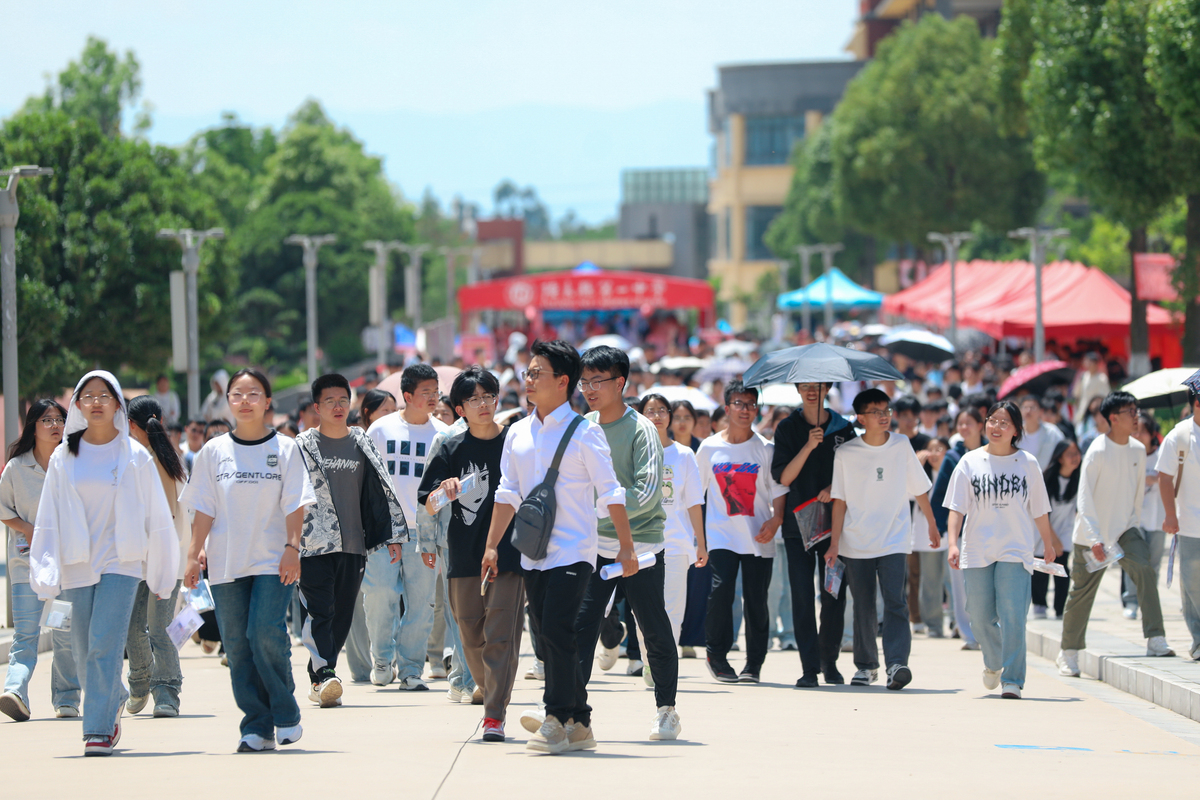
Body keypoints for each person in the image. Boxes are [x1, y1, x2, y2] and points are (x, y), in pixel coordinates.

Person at [481, 339, 631, 755]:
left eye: (536, 373)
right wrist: (492, 546)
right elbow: (507, 492)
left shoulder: (586, 431)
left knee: (557, 630)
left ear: (563, 382)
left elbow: (611, 491)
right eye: (527, 373)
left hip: (573, 551)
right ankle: (579, 722)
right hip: (532, 551)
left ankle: (554, 718)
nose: (528, 380)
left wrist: (626, 547)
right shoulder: (517, 432)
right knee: (548, 639)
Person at [29, 371, 178, 755]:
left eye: (104, 395)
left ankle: (97, 729)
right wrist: (45, 568)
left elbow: (158, 518)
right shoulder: (64, 455)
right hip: (77, 562)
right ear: (77, 404)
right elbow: (48, 515)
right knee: (81, 647)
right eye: (88, 396)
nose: (96, 402)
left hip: (122, 562)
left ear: (117, 404)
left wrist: (163, 569)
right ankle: (111, 696)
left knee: (104, 643)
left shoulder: (135, 455)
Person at [182, 368, 317, 752]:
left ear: (268, 401)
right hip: (226, 564)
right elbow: (203, 509)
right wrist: (193, 556)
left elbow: (295, 504)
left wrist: (293, 549)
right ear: (227, 402)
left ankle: (286, 712)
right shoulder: (213, 451)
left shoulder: (287, 449)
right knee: (238, 646)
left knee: (264, 633)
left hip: (274, 561)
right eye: (237, 394)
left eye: (253, 393)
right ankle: (256, 725)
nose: (245, 401)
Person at [571, 347, 680, 741]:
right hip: (594, 547)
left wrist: (602, 509)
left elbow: (648, 493)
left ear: (620, 383)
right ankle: (572, 713)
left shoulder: (642, 430)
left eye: (597, 381)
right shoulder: (583, 425)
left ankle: (667, 709)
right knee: (581, 628)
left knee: (652, 628)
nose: (589, 389)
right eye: (584, 381)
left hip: (643, 546)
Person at [418, 367, 523, 743]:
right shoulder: (450, 447)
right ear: (460, 408)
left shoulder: (515, 442)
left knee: (500, 636)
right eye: (473, 399)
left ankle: (494, 714)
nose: (483, 404)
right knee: (470, 636)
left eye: (488, 396)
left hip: (510, 554)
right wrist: (444, 492)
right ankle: (490, 690)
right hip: (462, 555)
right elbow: (428, 505)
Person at [295, 374, 408, 709]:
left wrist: (391, 534)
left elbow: (380, 486)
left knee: (342, 612)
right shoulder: (302, 445)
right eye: (329, 401)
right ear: (316, 407)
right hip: (313, 544)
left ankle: (322, 674)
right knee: (319, 611)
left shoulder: (361, 440)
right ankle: (323, 674)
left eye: (343, 399)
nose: (338, 406)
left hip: (353, 545)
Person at [946, 400, 1060, 699]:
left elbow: (1039, 509)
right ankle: (994, 660)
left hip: (1015, 549)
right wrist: (953, 543)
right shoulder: (969, 462)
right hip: (977, 549)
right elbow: (956, 508)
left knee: (1013, 615)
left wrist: (1047, 544)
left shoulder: (1027, 463)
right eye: (992, 420)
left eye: (1004, 423)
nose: (996, 427)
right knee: (980, 617)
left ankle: (1013, 679)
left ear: (1016, 431)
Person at [1057, 391, 1175, 679]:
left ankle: (1156, 638)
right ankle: (1068, 652)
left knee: (1145, 569)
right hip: (1090, 534)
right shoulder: (1097, 450)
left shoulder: (1137, 450)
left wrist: (1131, 525)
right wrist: (1096, 537)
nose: (1136, 417)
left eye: (1136, 411)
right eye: (1130, 412)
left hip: (1124, 530)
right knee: (1081, 593)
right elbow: (1084, 499)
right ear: (1113, 418)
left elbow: (1136, 494)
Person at [826, 388, 937, 691]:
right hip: (855, 540)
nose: (884, 416)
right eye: (876, 411)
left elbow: (919, 488)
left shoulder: (902, 445)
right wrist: (835, 544)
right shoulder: (846, 452)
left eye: (886, 410)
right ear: (861, 418)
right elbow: (839, 501)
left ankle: (897, 664)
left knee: (895, 603)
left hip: (894, 539)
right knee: (863, 605)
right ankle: (866, 666)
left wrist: (931, 524)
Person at [697, 380, 788, 684]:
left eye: (751, 404)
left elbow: (778, 490)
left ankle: (754, 663)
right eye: (739, 404)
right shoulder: (709, 448)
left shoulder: (765, 449)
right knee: (721, 593)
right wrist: (698, 536)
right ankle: (717, 655)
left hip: (758, 534)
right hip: (722, 535)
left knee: (756, 599)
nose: (746, 410)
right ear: (727, 408)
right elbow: (696, 494)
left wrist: (775, 522)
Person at [365, 364, 447, 690]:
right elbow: (368, 482)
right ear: (408, 395)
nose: (432, 397)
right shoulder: (380, 430)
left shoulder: (442, 433)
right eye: (425, 392)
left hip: (426, 531)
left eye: (435, 391)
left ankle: (411, 668)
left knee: (422, 602)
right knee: (380, 594)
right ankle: (382, 659)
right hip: (384, 529)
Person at [771, 381, 857, 688]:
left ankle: (828, 661)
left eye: (819, 387)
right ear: (797, 389)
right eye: (806, 386)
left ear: (828, 389)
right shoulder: (788, 429)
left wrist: (835, 488)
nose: (812, 392)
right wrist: (808, 445)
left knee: (833, 594)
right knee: (802, 596)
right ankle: (809, 667)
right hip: (798, 527)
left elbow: (854, 473)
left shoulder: (844, 429)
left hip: (835, 526)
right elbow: (783, 476)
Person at [0, 399, 80, 722]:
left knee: (63, 634)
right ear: (33, 426)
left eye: (60, 419)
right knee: (26, 633)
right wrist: (27, 529)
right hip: (25, 567)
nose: (55, 425)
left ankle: (66, 699)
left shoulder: (73, 463)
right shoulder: (17, 468)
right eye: (47, 420)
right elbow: (3, 507)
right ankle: (15, 691)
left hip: (66, 570)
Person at [124, 396, 189, 718]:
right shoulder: (173, 459)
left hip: (142, 559)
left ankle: (163, 689)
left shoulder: (136, 460)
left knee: (142, 626)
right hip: (161, 558)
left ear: (131, 425)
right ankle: (146, 683)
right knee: (150, 626)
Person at [639, 394, 707, 646]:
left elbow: (693, 502)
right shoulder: (635, 452)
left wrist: (700, 543)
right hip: (642, 543)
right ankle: (648, 659)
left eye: (661, 411)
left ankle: (665, 667)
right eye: (650, 411)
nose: (656, 416)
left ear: (668, 415)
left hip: (676, 544)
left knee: (673, 610)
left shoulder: (684, 455)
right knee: (643, 611)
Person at [343, 388, 399, 682]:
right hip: (354, 533)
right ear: (368, 414)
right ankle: (361, 666)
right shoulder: (351, 443)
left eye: (394, 410)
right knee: (355, 601)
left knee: (387, 598)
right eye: (385, 411)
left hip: (385, 532)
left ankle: (386, 659)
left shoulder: (395, 442)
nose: (392, 417)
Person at [930, 408, 985, 650]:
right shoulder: (953, 457)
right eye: (960, 424)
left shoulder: (994, 451)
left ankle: (989, 631)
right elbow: (942, 494)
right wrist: (939, 528)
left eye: (969, 423)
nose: (964, 428)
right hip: (962, 533)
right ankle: (969, 634)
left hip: (989, 530)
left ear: (980, 425)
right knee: (961, 586)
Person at [1158, 379, 1200, 662]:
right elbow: (1164, 476)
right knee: (1193, 584)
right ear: (1196, 404)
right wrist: (1170, 514)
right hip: (1190, 523)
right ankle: (1198, 639)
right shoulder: (1180, 435)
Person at [1124, 413, 1165, 619]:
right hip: (1134, 518)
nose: (1138, 435)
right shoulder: (1128, 455)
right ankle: (1131, 600)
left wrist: (1158, 480)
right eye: (1135, 431)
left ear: (1151, 434)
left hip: (1158, 518)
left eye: (1142, 431)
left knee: (1154, 563)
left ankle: (1149, 600)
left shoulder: (1162, 455)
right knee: (1135, 560)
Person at [1034, 440, 1080, 620]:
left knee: (1062, 570)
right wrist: (1052, 539)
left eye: (1077, 453)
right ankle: (1039, 604)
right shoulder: (1047, 480)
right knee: (1042, 567)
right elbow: (1041, 512)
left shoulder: (1078, 479)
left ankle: (1060, 609)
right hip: (1043, 531)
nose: (1075, 458)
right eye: (1070, 454)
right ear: (1060, 458)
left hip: (1066, 531)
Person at [1017, 394, 1065, 469]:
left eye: (1032, 408)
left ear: (1041, 411)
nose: (1028, 411)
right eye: (1025, 407)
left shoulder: (1052, 432)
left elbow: (1063, 452)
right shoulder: (1015, 433)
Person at [1072, 352, 1110, 427]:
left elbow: (1106, 396)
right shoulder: (1083, 376)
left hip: (1096, 413)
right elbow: (1076, 394)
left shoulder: (1102, 378)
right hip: (1083, 411)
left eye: (1090, 362)